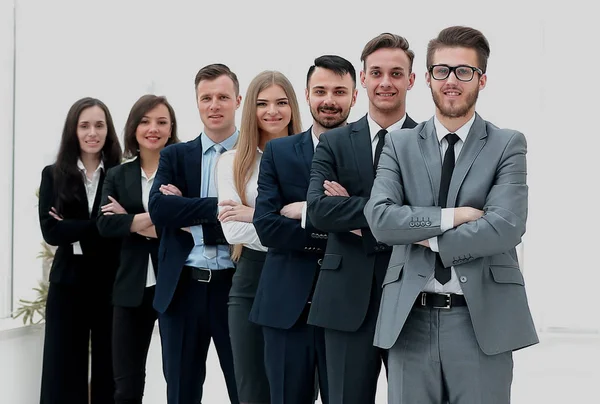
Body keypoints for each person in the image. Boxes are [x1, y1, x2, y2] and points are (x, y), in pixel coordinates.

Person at [364, 26, 539, 404]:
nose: (452, 81)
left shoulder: (508, 143)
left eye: (464, 71)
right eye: (441, 70)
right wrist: (454, 216)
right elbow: (379, 219)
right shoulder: (399, 143)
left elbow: (505, 227)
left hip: (480, 322)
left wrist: (420, 234)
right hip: (409, 320)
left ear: (482, 79)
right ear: (427, 78)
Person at [305, 34, 418, 404]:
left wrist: (353, 210)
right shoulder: (334, 142)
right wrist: (393, 216)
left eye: (396, 73)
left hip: (412, 298)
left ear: (411, 80)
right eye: (377, 73)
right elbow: (320, 211)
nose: (386, 82)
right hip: (344, 299)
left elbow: (430, 214)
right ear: (364, 78)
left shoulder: (429, 141)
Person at [251, 55, 357, 404]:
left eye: (339, 91)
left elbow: (377, 224)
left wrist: (307, 213)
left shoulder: (372, 151)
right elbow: (267, 227)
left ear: (355, 96)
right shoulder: (278, 152)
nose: (329, 99)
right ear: (307, 96)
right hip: (285, 307)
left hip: (348, 309)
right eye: (321, 90)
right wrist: (340, 224)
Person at [148, 64, 241, 404]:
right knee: (181, 393)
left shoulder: (255, 154)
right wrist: (222, 208)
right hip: (183, 288)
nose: (214, 105)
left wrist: (188, 208)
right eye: (206, 98)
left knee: (245, 390)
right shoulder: (175, 155)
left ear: (237, 100)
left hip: (236, 287)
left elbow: (256, 219)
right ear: (197, 103)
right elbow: (160, 210)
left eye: (222, 97)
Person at [216, 70, 302, 404]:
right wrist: (287, 218)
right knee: (251, 389)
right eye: (262, 103)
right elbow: (232, 229)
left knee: (294, 391)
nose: (272, 111)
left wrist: (255, 214)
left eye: (281, 102)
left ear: (293, 107)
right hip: (250, 279)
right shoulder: (231, 162)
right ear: (250, 109)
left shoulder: (312, 157)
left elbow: (319, 227)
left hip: (298, 278)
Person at [38, 97, 122, 403]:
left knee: (109, 371)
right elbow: (51, 232)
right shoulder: (54, 174)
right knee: (62, 372)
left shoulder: (119, 174)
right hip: (67, 283)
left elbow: (121, 231)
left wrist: (74, 225)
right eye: (84, 125)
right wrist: (99, 224)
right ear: (73, 131)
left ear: (108, 131)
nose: (92, 133)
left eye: (99, 125)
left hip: (109, 284)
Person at [97, 94, 180, 404]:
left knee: (179, 377)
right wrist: (161, 220)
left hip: (175, 285)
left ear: (171, 128)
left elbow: (189, 226)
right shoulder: (118, 175)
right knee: (127, 385)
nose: (152, 129)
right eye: (145, 122)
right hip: (130, 288)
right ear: (133, 128)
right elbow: (105, 225)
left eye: (161, 122)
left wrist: (129, 219)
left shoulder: (182, 172)